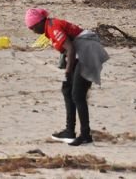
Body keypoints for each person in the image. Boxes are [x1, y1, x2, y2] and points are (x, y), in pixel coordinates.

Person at [25, 8, 109, 147]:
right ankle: (69, 131)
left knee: (77, 95)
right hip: (79, 54)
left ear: (39, 22)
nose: (33, 31)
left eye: (32, 27)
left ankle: (85, 135)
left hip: (87, 52)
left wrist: (68, 71)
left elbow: (70, 49)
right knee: (67, 90)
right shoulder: (50, 26)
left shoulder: (53, 27)